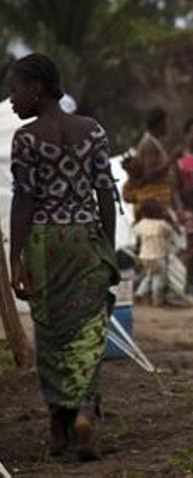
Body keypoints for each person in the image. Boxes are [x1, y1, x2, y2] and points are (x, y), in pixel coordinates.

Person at [7, 53, 119, 461]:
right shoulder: (93, 131)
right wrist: (107, 244)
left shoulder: (27, 138)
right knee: (88, 327)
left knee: (52, 332)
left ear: (36, 89)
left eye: (15, 89)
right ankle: (86, 412)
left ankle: (58, 427)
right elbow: (105, 192)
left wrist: (15, 258)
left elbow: (23, 200)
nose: (12, 99)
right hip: (86, 237)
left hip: (45, 242)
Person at [123, 107, 177, 219]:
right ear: (159, 123)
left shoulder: (154, 142)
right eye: (166, 122)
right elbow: (149, 173)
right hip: (153, 203)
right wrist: (171, 160)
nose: (168, 126)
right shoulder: (148, 144)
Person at [133, 198, 175, 307]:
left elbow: (136, 235)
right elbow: (170, 234)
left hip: (144, 255)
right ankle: (157, 300)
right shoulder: (161, 224)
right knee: (159, 278)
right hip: (158, 256)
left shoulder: (141, 224)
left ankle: (139, 293)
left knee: (149, 276)